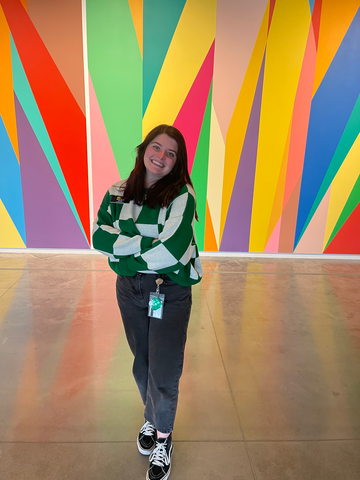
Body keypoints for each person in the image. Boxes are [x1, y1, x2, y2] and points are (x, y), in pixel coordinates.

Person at [92, 124, 202, 480]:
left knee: (165, 369)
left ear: (177, 163)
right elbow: (98, 235)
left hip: (168, 290)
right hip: (130, 290)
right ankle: (151, 420)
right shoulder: (117, 192)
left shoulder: (181, 195)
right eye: (157, 147)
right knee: (143, 361)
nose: (162, 157)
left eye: (171, 153)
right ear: (143, 150)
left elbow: (171, 252)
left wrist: (125, 251)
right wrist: (142, 248)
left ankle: (164, 437)